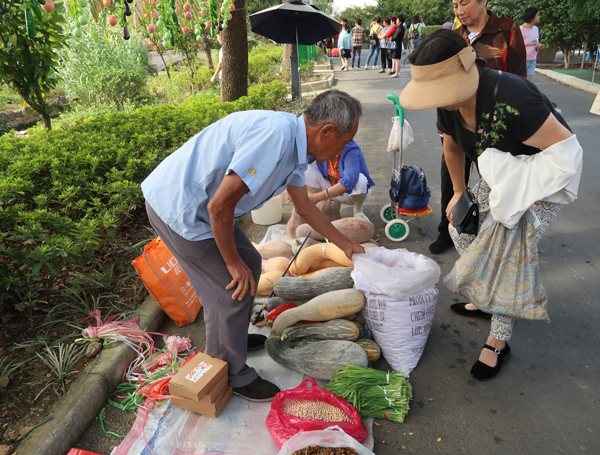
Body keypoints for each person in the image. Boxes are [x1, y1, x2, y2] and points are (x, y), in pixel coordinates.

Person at [142, 90, 366, 401]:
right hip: (181, 210)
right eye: (343, 142)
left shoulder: (296, 145)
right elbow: (218, 206)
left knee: (250, 262)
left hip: (205, 208)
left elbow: (304, 207)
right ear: (326, 130)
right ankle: (233, 372)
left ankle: (229, 338)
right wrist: (232, 263)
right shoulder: (275, 139)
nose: (342, 150)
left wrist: (345, 243)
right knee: (231, 285)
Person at [401, 30, 581, 381]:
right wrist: (457, 192)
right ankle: (487, 296)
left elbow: (565, 156)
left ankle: (499, 339)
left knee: (503, 251)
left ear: (466, 73)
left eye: (442, 91)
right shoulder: (450, 104)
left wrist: (514, 197)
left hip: (542, 181)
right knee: (459, 225)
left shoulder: (515, 98)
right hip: (500, 175)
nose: (440, 100)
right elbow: (452, 148)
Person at [429, 0, 527, 255]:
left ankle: (497, 237)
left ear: (483, 1)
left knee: (494, 182)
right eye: (454, 5)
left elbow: (518, 76)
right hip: (457, 120)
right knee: (451, 178)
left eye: (464, 3)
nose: (459, 10)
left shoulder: (506, 29)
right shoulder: (454, 35)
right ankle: (447, 230)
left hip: (495, 126)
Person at [286, 140, 375, 221]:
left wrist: (317, 197)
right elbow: (298, 164)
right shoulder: (322, 144)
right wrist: (288, 186)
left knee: (360, 179)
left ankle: (358, 211)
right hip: (330, 188)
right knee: (305, 170)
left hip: (352, 193)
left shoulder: (351, 149)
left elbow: (349, 181)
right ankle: (327, 202)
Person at [521, 6, 544, 80]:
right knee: (521, 82)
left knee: (528, 83)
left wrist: (539, 46)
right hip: (523, 60)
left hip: (532, 59)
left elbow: (534, 43)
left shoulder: (535, 29)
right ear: (532, 17)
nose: (539, 17)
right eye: (537, 15)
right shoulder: (520, 30)